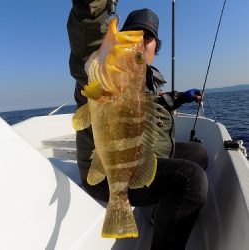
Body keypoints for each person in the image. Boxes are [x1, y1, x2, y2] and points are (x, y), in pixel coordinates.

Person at [67, 1, 208, 249]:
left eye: (148, 37)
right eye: (134, 34)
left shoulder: (146, 76)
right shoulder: (103, 74)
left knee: (199, 153)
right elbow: (88, 39)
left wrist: (181, 97)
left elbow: (154, 101)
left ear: (156, 47)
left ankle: (161, 210)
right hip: (109, 172)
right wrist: (97, 6)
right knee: (191, 179)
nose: (140, 41)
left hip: (138, 158)